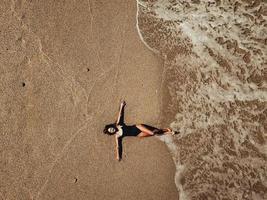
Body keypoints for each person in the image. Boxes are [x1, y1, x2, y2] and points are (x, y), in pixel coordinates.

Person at [103, 100, 178, 161]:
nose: (112, 130)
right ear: (111, 133)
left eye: (111, 128)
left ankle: (169, 132)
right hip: (138, 135)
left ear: (111, 126)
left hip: (138, 127)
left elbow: (120, 115)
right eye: (111, 131)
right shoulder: (117, 136)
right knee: (155, 133)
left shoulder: (118, 124)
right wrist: (118, 156)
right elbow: (118, 146)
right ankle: (167, 130)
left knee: (152, 132)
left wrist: (122, 105)